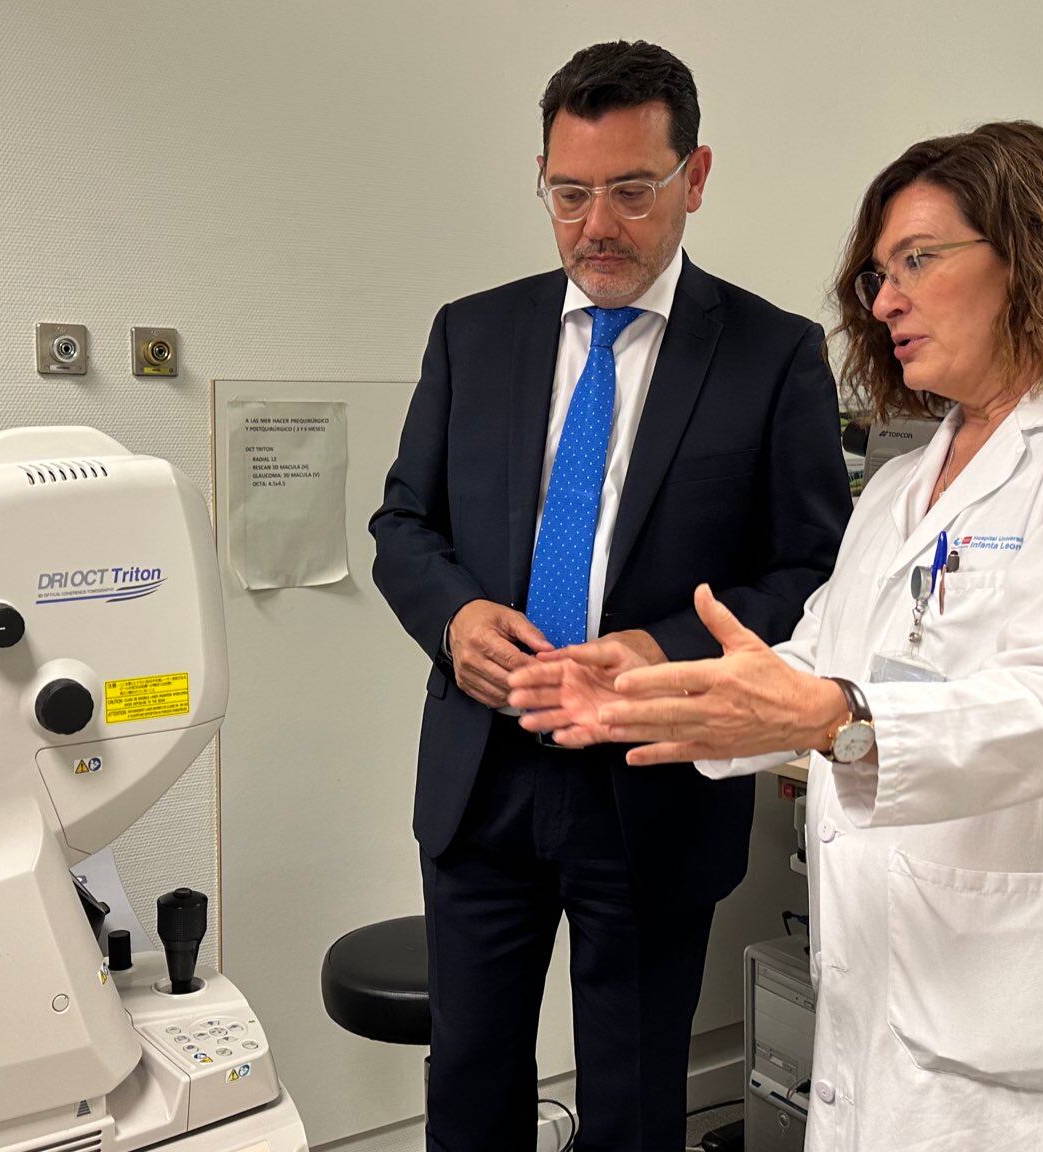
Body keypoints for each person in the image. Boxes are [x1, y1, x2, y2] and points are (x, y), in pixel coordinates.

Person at [510, 120, 1043, 1149]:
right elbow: (812, 665)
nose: (882, 299)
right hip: (875, 999)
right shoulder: (899, 485)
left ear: (1030, 253)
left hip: (1012, 1024)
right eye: (876, 273)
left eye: (916, 261)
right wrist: (654, 689)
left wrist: (841, 722)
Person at [369, 40, 851, 1152]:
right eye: (569, 193)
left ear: (694, 179)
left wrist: (659, 647)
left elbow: (808, 572)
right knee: (471, 1082)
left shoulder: (769, 356)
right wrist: (450, 619)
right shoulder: (472, 332)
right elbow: (403, 524)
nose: (597, 225)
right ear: (541, 180)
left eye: (632, 192)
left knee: (632, 1102)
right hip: (481, 772)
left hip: (650, 782)